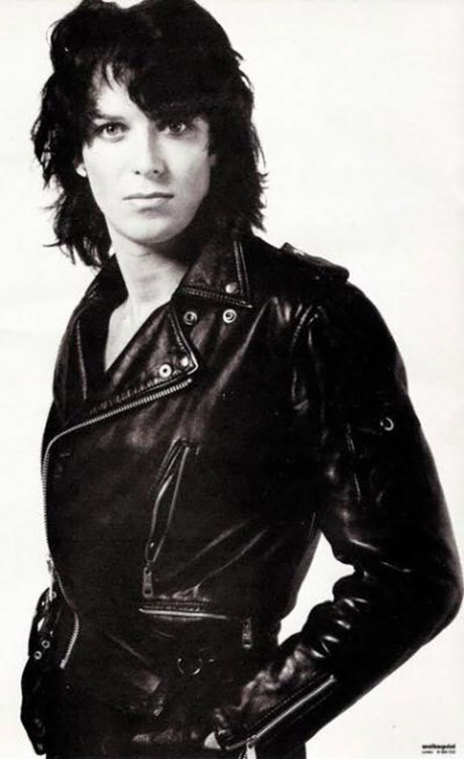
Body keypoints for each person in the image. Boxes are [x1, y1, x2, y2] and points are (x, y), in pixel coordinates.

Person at [20, 0, 462, 758]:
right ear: (80, 154)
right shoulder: (97, 314)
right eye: (112, 128)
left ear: (218, 144)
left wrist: (236, 728)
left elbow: (412, 577)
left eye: (176, 125)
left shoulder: (304, 316)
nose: (147, 162)